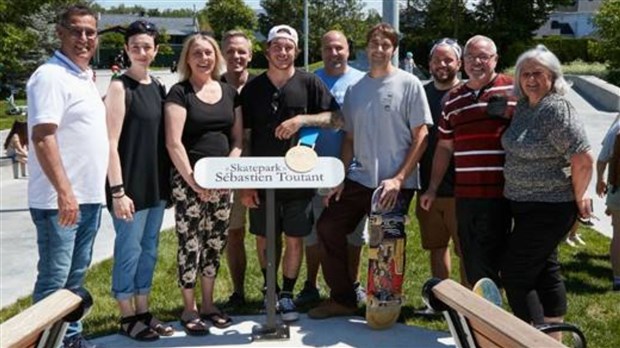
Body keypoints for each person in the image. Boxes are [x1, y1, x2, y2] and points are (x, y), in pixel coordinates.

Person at [309, 23, 432, 319]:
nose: (379, 49)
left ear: (393, 49)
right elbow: (349, 138)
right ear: (366, 47)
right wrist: (341, 177)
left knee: (386, 246)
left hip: (394, 183)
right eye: (374, 44)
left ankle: (384, 304)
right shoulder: (356, 89)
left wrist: (400, 178)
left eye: (386, 45)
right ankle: (343, 298)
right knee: (328, 227)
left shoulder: (409, 83)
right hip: (360, 179)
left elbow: (422, 135)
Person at [240, 24, 342, 322]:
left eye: (288, 47)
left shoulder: (310, 82)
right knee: (263, 237)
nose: (282, 52)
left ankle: (286, 294)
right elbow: (245, 137)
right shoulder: (254, 89)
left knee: (295, 238)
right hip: (261, 175)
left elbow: (335, 118)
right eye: (276, 46)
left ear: (296, 51)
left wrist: (301, 119)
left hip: (299, 177)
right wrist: (247, 182)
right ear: (267, 50)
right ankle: (268, 289)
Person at [26, 4, 108, 348]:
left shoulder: (82, 76)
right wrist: (64, 192)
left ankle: (70, 338)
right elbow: (43, 136)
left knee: (74, 280)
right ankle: (43, 344)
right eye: (76, 31)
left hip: (87, 198)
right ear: (60, 33)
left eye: (90, 32)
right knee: (54, 282)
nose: (85, 38)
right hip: (61, 201)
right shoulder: (50, 76)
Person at [500, 45, 593, 337]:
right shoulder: (528, 106)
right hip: (526, 206)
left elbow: (583, 158)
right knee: (545, 269)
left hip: (549, 207)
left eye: (538, 73)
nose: (530, 79)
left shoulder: (555, 109)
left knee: (515, 273)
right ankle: (555, 335)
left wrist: (580, 197)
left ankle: (532, 336)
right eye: (525, 74)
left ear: (553, 76)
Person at [420, 35, 516, 288]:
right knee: (473, 258)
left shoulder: (515, 90)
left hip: (506, 194)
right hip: (467, 195)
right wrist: (432, 187)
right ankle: (475, 315)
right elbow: (444, 146)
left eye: (484, 56)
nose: (477, 62)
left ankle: (507, 319)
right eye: (471, 57)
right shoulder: (453, 99)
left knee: (508, 260)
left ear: (495, 59)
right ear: (464, 62)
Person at [165, 33, 242, 335]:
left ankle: (209, 304)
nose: (203, 58)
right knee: (191, 243)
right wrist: (195, 181)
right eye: (196, 53)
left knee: (214, 242)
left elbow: (236, 140)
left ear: (216, 57)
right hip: (189, 182)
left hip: (223, 182)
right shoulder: (179, 93)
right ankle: (189, 308)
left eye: (208, 53)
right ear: (187, 58)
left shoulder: (229, 92)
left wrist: (228, 171)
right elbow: (173, 143)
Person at [103, 20, 172, 341]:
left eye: (147, 47)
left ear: (156, 50)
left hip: (155, 184)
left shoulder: (157, 87)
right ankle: (126, 314)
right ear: (127, 50)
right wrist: (118, 192)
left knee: (149, 248)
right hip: (128, 186)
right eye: (135, 47)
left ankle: (143, 309)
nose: (142, 52)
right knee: (129, 249)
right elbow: (110, 144)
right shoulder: (120, 86)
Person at [295, 30, 367, 307]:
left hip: (352, 173)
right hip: (312, 171)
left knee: (354, 234)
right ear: (321, 51)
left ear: (348, 49)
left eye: (339, 48)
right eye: (328, 48)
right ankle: (310, 285)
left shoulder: (361, 81)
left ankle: (354, 284)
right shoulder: (309, 80)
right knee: (312, 234)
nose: (334, 53)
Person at [415, 38, 466, 316]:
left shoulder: (467, 93)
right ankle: (443, 303)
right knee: (436, 247)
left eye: (448, 60)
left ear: (458, 63)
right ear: (430, 62)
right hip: (428, 189)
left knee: (465, 251)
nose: (442, 65)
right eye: (437, 60)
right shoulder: (421, 94)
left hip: (462, 189)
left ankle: (470, 306)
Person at [220, 29, 256, 308]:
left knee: (268, 233)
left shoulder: (262, 87)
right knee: (234, 233)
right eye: (230, 51)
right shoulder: (212, 87)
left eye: (241, 51)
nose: (236, 56)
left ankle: (274, 291)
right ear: (223, 53)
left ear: (251, 54)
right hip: (228, 174)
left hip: (265, 173)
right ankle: (238, 292)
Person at [595, 112, 620, 291]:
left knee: (618, 233)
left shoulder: (618, 128)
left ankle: (618, 279)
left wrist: (600, 179)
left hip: (618, 189)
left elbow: (603, 158)